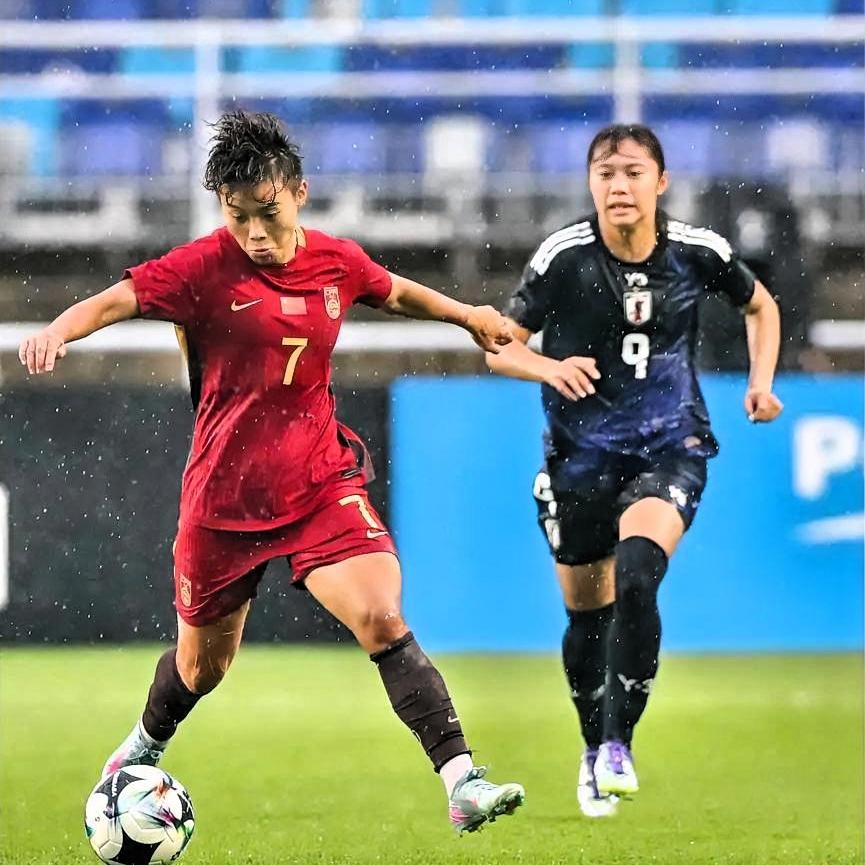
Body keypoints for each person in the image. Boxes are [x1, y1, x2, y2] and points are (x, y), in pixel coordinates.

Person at [19, 111, 525, 835]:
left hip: (319, 483)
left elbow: (393, 290)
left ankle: (461, 780)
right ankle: (143, 746)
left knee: (381, 617)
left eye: (268, 212)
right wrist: (57, 330)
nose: (254, 233)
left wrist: (468, 315)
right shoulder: (201, 268)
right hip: (224, 502)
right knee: (202, 668)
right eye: (238, 217)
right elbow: (116, 300)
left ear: (299, 193)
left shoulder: (336, 261)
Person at [486, 123, 783, 818]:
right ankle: (593, 746)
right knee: (585, 617)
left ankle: (619, 744)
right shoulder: (563, 256)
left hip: (669, 446)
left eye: (632, 172)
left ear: (661, 181)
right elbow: (499, 345)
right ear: (590, 183)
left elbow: (759, 304)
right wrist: (546, 367)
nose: (618, 186)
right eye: (605, 174)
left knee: (639, 574)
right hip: (579, 459)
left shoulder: (696, 251)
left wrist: (760, 381)